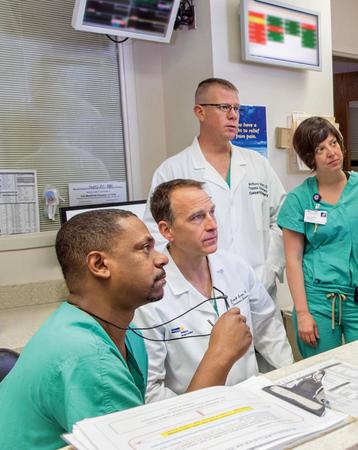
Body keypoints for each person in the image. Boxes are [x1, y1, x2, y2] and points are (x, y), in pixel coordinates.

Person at [0, 210, 252, 449]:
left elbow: (140, 428)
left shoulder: (122, 331)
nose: (162, 257)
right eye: (145, 248)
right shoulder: (88, 357)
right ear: (99, 264)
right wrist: (219, 356)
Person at [143, 78, 293, 369]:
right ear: (200, 112)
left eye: (237, 108)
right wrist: (183, 282)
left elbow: (281, 218)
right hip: (196, 293)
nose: (234, 115)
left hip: (257, 284)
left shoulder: (256, 164)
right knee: (210, 370)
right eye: (224, 107)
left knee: (261, 366)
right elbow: (154, 234)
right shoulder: (174, 169)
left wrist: (270, 267)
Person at [135, 179, 291, 402]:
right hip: (196, 416)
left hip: (252, 401)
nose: (212, 225)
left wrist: (290, 377)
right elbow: (152, 391)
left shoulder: (235, 267)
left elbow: (268, 328)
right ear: (167, 230)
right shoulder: (150, 296)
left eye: (212, 212)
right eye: (197, 217)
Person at [277, 117, 358, 357]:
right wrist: (302, 313)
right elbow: (293, 260)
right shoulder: (298, 199)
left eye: (334, 143)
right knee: (321, 374)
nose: (331, 153)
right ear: (309, 158)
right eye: (320, 149)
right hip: (317, 300)